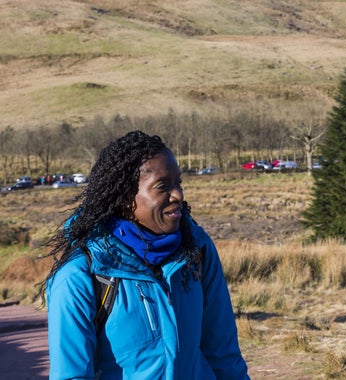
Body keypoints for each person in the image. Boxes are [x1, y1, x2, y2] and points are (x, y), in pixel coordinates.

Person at [42, 131, 249, 379]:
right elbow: (71, 375)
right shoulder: (81, 275)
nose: (178, 195)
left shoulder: (197, 251)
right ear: (124, 198)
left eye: (178, 183)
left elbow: (224, 354)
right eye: (162, 187)